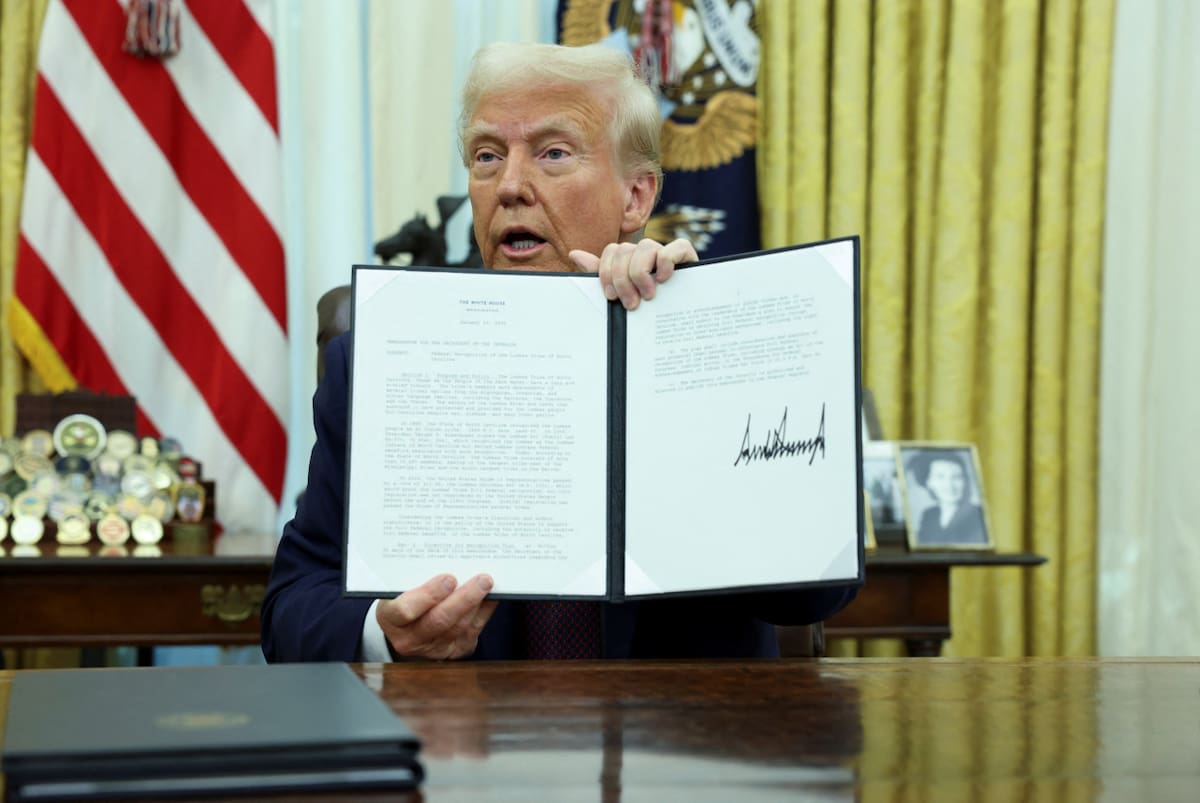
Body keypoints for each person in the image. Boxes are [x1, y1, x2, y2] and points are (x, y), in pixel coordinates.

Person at [261, 42, 858, 663]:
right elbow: (290, 612)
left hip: (685, 741)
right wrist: (385, 631)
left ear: (635, 198)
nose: (511, 186)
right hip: (466, 745)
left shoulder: (718, 342)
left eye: (553, 153)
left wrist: (697, 339)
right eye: (487, 156)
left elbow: (813, 596)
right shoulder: (381, 365)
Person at [910, 451, 988, 546]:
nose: (949, 485)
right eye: (940, 477)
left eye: (957, 477)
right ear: (929, 482)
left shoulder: (978, 514)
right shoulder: (929, 515)